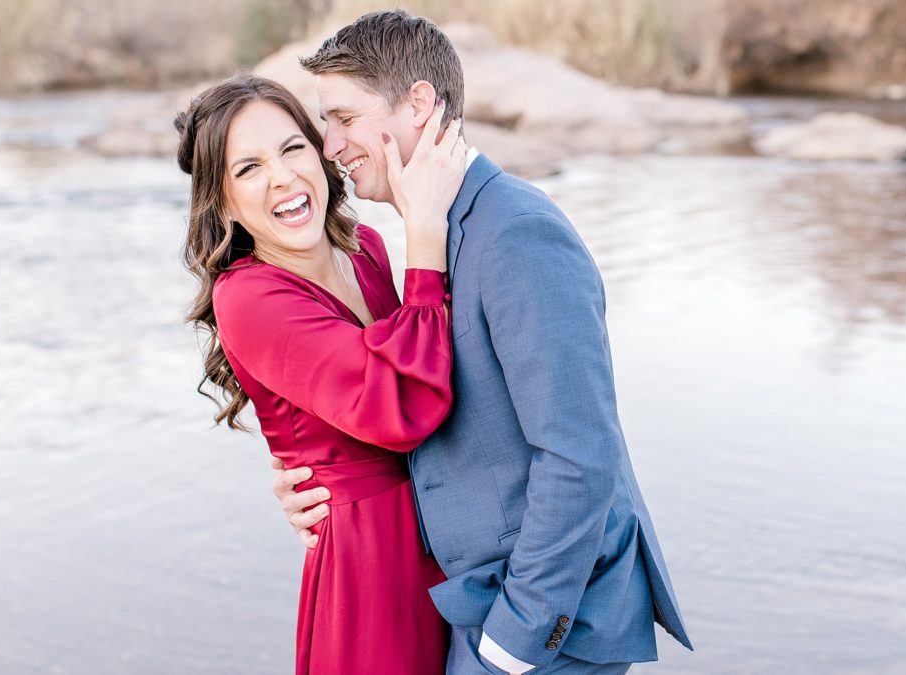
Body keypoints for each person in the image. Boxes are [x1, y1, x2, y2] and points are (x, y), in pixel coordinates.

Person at [276, 9, 693, 674]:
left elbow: (580, 454)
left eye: (344, 118)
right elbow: (404, 398)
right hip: (470, 601)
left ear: (418, 104)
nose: (330, 146)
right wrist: (312, 480)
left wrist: (515, 640)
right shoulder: (426, 237)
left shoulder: (517, 233)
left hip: (547, 624)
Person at [175, 73, 468, 674]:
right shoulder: (248, 297)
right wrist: (425, 230)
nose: (281, 177)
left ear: (320, 152)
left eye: (291, 149)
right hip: (370, 566)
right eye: (247, 168)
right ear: (223, 198)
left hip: (443, 531)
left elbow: (424, 366)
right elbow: (400, 406)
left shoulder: (365, 251)